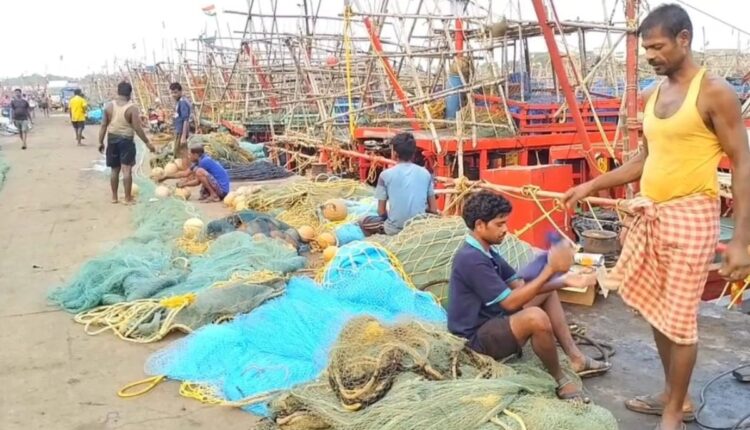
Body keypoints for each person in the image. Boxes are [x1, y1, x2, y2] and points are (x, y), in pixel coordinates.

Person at [561, 5, 750, 430]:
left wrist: (741, 240)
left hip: (691, 217)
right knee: (657, 312)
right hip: (652, 216)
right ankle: (672, 394)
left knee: (679, 320)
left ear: (684, 39)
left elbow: (742, 163)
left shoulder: (714, 92)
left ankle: (673, 413)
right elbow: (645, 159)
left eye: (658, 46)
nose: (650, 55)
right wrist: (591, 185)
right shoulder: (653, 94)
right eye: (646, 48)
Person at [447, 191, 610, 403]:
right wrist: (550, 269)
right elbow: (510, 302)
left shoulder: (487, 252)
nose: (505, 229)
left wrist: (566, 281)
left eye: (506, 223)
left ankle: (575, 358)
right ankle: (560, 379)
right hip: (473, 339)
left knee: (546, 291)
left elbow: (522, 286)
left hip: (491, 319)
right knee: (535, 318)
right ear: (479, 225)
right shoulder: (471, 259)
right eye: (499, 224)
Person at [358, 132, 438, 236]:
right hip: (419, 227)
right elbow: (433, 209)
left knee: (363, 221)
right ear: (413, 153)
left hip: (394, 229)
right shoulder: (425, 173)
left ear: (394, 153)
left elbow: (381, 211)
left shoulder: (385, 175)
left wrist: (390, 219)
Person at [99, 82, 155, 204]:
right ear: (130, 94)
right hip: (126, 140)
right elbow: (137, 128)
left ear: (118, 92)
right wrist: (147, 142)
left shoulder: (109, 106)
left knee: (114, 169)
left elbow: (103, 125)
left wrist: (100, 142)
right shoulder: (132, 108)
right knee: (126, 169)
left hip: (112, 139)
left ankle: (114, 197)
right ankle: (127, 198)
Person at [163, 143, 230, 202]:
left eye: (190, 154)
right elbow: (185, 173)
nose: (189, 156)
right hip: (218, 187)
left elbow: (197, 182)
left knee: (199, 172)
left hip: (222, 191)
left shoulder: (204, 161)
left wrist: (184, 184)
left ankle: (214, 195)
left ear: (195, 155)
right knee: (199, 173)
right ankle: (212, 194)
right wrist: (166, 176)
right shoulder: (199, 160)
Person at [169, 82, 191, 167]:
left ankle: (185, 169)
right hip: (179, 130)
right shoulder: (179, 101)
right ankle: (184, 168)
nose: (173, 95)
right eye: (172, 92)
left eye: (175, 92)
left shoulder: (182, 102)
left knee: (181, 152)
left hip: (181, 132)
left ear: (180, 91)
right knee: (179, 151)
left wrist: (183, 136)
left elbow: (186, 119)